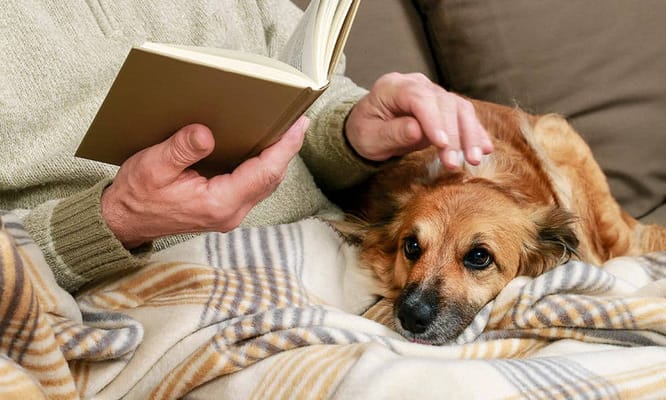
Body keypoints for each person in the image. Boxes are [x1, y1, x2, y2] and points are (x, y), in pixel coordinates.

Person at [0, 0, 492, 293]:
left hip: (349, 257)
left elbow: (307, 95)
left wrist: (353, 134)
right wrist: (117, 219)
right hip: (151, 296)